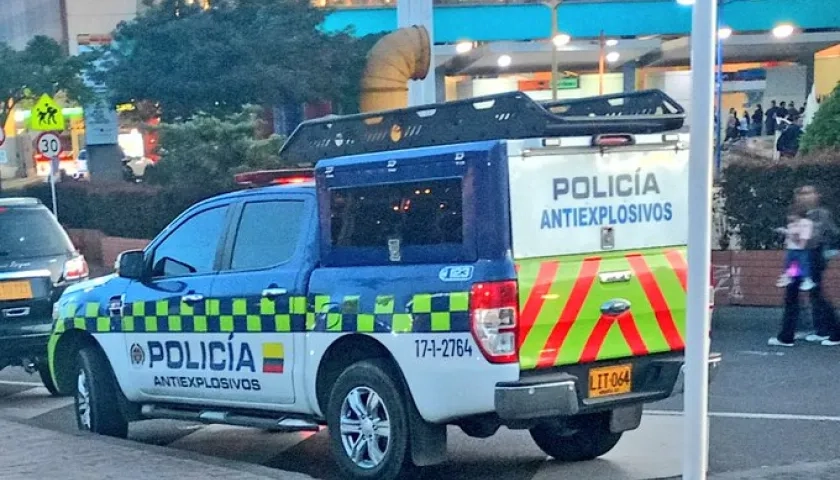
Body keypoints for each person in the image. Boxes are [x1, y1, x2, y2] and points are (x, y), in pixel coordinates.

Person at [769, 185, 840, 347]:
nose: (803, 196)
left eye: (808, 193)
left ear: (817, 195)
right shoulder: (802, 214)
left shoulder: (820, 214)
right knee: (801, 294)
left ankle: (788, 336)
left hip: (811, 257)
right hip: (799, 259)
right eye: (801, 193)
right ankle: (823, 331)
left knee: (806, 294)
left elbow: (814, 238)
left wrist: (795, 235)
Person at [775, 204, 815, 291]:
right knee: (792, 264)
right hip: (792, 248)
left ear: (796, 214)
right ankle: (789, 277)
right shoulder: (792, 225)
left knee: (802, 264)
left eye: (790, 215)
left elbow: (801, 239)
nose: (788, 217)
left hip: (800, 249)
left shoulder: (805, 223)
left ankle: (806, 280)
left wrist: (788, 233)